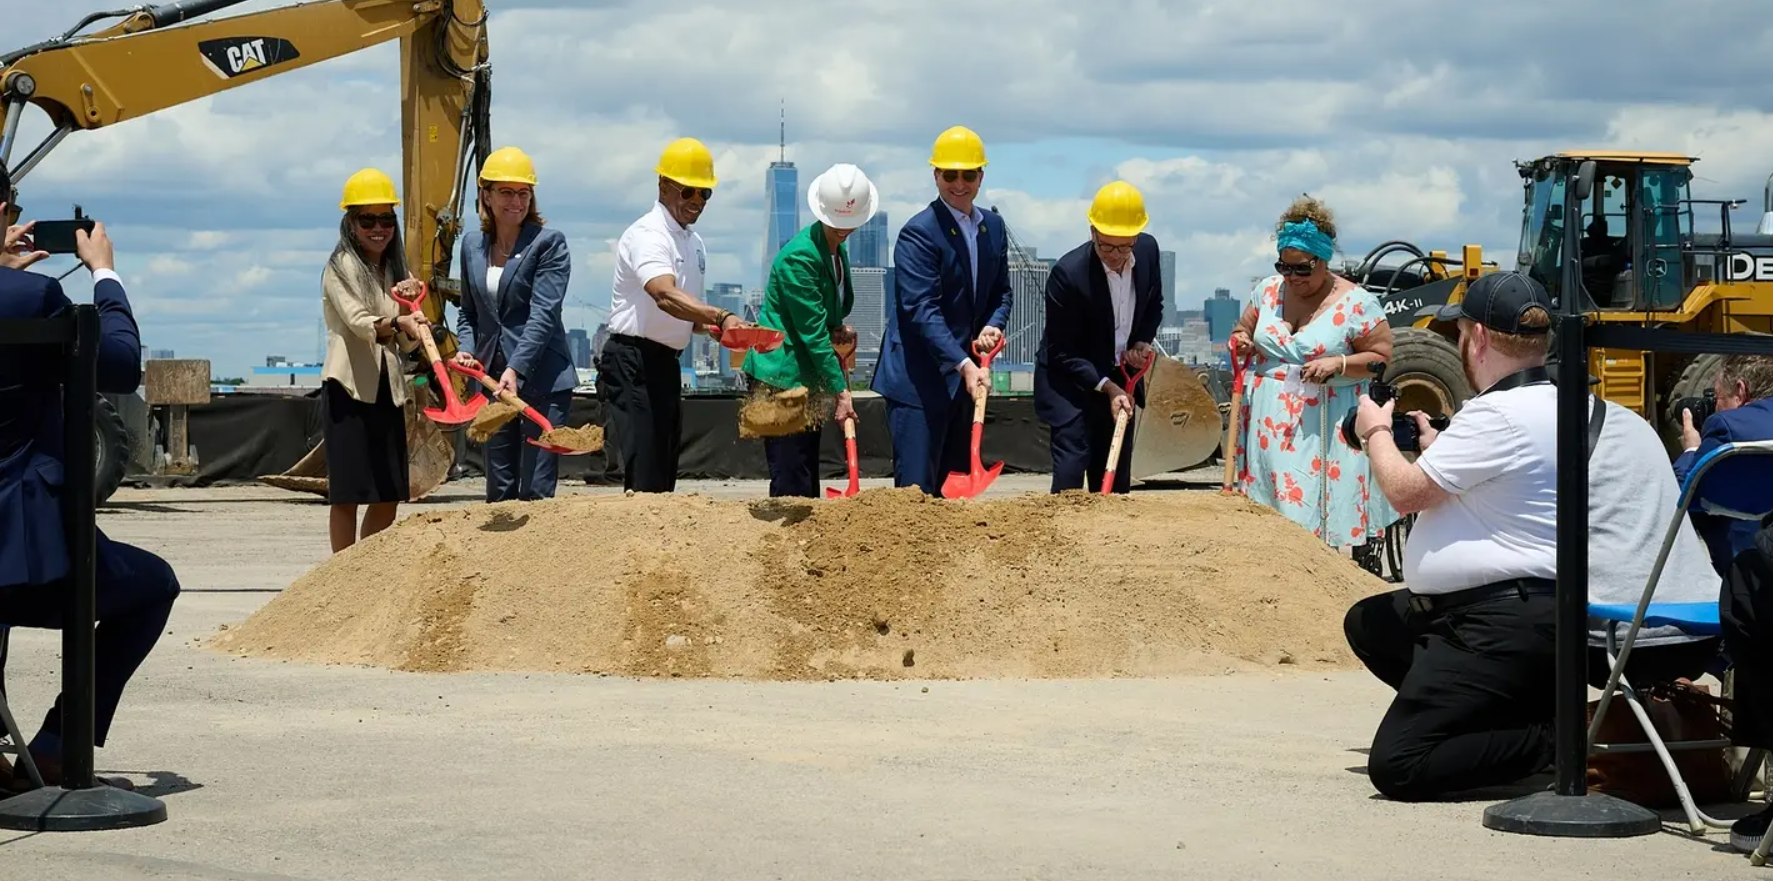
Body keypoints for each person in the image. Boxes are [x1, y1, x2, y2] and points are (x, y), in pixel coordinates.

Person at [1341, 270, 1720, 802]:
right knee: (1374, 624)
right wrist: (1441, 451)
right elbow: (1521, 495)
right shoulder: (1608, 415)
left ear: (1475, 338)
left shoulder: (1498, 414)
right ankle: (1503, 719)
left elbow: (1404, 493)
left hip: (1547, 618)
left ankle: (1558, 740)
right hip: (1679, 615)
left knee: (1401, 762)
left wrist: (1376, 431)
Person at [0, 160, 179, 791]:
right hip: (24, 560)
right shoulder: (33, 297)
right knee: (153, 586)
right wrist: (104, 270)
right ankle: (54, 745)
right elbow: (122, 365)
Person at [1229, 196, 1400, 547]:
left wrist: (1338, 363)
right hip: (1267, 422)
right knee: (1271, 507)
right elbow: (1241, 330)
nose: (1291, 277)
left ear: (1322, 261)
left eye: (1302, 268)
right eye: (1284, 267)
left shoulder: (1357, 303)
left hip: (1322, 422)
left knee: (1311, 508)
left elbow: (1381, 358)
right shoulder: (1267, 291)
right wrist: (1243, 340)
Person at [602, 137, 756, 493]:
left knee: (664, 465)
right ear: (663, 186)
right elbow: (665, 296)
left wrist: (721, 330)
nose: (698, 202)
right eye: (689, 192)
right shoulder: (648, 234)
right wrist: (720, 316)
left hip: (665, 362)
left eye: (705, 194)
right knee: (645, 467)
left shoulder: (693, 242)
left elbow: (685, 313)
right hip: (633, 360)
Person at [869, 125, 1013, 495]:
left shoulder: (993, 228)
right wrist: (964, 364)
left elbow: (1001, 293)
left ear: (981, 176)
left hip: (962, 385)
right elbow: (921, 310)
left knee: (952, 496)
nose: (959, 184)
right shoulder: (919, 233)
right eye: (950, 175)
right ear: (936, 175)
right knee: (916, 495)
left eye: (969, 175)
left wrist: (992, 328)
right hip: (919, 383)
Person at [740, 163, 874, 498]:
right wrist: (842, 393)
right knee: (791, 476)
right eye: (839, 223)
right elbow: (812, 335)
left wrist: (838, 327)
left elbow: (828, 314)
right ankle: (784, 546)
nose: (845, 230)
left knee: (806, 471)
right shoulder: (799, 258)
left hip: (807, 373)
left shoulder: (834, 247)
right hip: (781, 378)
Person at [453, 146, 576, 503]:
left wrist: (516, 369)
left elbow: (543, 314)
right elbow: (469, 313)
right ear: (486, 195)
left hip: (542, 377)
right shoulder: (472, 245)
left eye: (523, 193)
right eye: (506, 192)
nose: (516, 201)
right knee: (499, 488)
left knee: (536, 489)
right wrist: (466, 348)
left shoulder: (548, 244)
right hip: (493, 378)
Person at [320, 168, 432, 551]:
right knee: (348, 492)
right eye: (367, 219)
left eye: (386, 218)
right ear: (350, 223)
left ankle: (369, 569)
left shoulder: (396, 271)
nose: (378, 228)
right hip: (348, 389)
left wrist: (411, 319)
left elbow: (407, 347)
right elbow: (358, 321)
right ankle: (343, 572)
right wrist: (398, 320)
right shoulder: (340, 268)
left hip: (388, 391)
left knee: (389, 490)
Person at [1033, 180, 1164, 494]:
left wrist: (1141, 343)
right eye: (1106, 246)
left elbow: (1153, 305)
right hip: (1070, 385)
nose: (1116, 255)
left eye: (1124, 246)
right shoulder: (1068, 275)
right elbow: (1062, 350)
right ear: (1092, 231)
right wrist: (1107, 386)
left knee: (1115, 481)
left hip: (1122, 378)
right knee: (1070, 475)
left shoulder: (1147, 252)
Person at [1676, 354, 1773, 575]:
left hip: (1752, 576)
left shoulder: (1728, 427)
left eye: (1717, 398)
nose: (1715, 407)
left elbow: (1683, 495)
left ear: (1740, 391)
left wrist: (1691, 450)